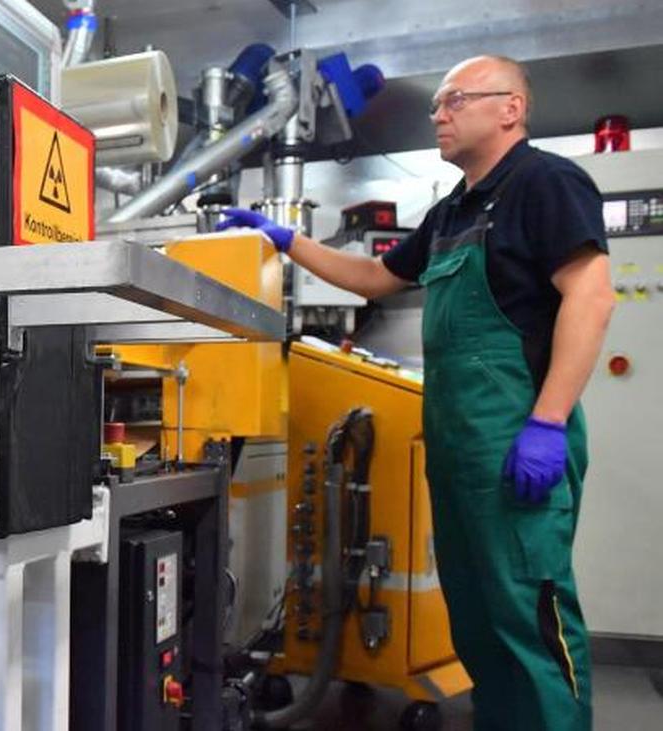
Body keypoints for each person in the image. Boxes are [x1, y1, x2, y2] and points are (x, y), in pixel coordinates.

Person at [220, 55, 614, 730]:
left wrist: (548, 422)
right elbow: (376, 278)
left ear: (511, 109)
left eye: (455, 99)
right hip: (461, 452)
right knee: (479, 623)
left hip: (517, 442)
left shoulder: (546, 182)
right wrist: (285, 241)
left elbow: (592, 296)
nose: (438, 114)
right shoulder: (453, 210)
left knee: (530, 618)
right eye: (436, 103)